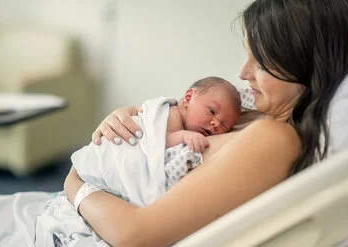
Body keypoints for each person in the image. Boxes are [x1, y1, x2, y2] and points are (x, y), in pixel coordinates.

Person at [63, 0, 348, 246]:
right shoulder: (254, 109)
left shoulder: (275, 137)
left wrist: (75, 183)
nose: (243, 72)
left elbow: (133, 235)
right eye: (248, 54)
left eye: (260, 62)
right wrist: (130, 117)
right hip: (98, 200)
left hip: (94, 207)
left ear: (306, 66)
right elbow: (170, 116)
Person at [70, 76, 241, 206]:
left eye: (225, 126)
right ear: (188, 98)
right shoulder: (171, 114)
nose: (216, 124)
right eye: (211, 111)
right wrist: (182, 136)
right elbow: (157, 140)